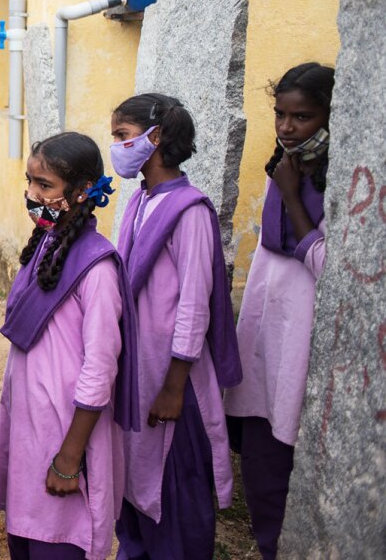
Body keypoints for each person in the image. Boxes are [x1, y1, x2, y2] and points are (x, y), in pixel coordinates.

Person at [109, 94, 242, 560]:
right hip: (138, 373)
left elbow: (193, 305)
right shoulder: (140, 201)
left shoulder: (190, 211)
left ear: (156, 137)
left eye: (123, 137)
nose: (118, 147)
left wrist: (174, 384)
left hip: (171, 382)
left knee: (174, 490)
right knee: (134, 488)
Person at [0, 132, 139, 560]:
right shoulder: (45, 246)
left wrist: (69, 457)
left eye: (45, 186)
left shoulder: (96, 269)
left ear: (80, 194)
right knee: (26, 533)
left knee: (58, 538)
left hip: (65, 434)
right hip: (30, 430)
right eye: (30, 182)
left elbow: (99, 368)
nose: (31, 194)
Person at [225, 63, 334, 559]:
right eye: (280, 115)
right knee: (263, 474)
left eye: (303, 117)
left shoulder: (338, 183)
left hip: (306, 349)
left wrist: (293, 198)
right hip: (267, 344)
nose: (288, 128)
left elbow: (332, 269)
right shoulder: (283, 168)